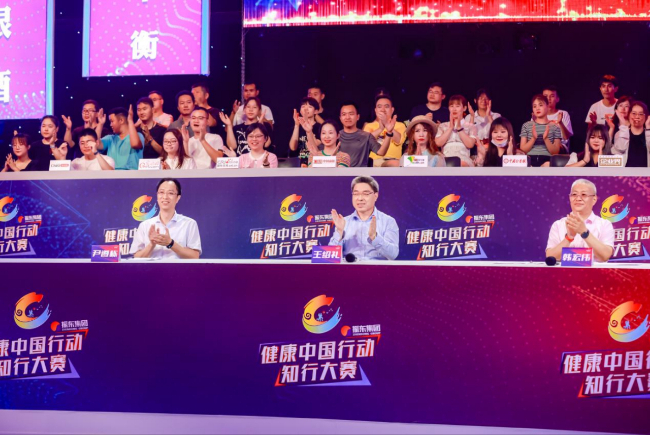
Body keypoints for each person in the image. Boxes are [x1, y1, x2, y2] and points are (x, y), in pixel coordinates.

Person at [329, 176, 399, 261]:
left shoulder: (388, 221)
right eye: (356, 194)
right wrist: (339, 232)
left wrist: (374, 238)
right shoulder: (344, 222)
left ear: (376, 196)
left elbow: (393, 255)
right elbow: (330, 257)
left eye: (365, 194)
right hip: (349, 268)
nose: (360, 198)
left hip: (377, 268)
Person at [546, 179, 614, 263]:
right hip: (565, 271)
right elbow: (550, 257)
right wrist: (569, 237)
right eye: (574, 194)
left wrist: (584, 233)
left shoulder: (604, 224)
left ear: (594, 199)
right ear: (570, 198)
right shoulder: (558, 225)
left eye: (584, 194)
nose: (578, 198)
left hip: (594, 271)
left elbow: (605, 256)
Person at [131, 178, 201, 259]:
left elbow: (194, 256)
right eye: (161, 192)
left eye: (170, 193)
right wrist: (151, 244)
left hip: (177, 267)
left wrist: (171, 243)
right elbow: (136, 257)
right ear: (157, 196)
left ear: (178, 198)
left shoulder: (189, 224)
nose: (165, 197)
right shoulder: (145, 225)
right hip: (152, 267)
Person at [337, 102, 390, 167]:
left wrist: (389, 132)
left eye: (351, 114)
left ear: (358, 117)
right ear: (340, 118)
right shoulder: (336, 136)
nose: (347, 117)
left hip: (360, 173)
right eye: (344, 114)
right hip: (339, 172)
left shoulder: (366, 136)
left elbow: (381, 152)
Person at [519, 94, 562, 167]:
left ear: (547, 106)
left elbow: (555, 152)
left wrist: (546, 139)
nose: (537, 108)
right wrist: (533, 138)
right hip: (529, 160)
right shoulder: (526, 125)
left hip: (547, 161)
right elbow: (523, 149)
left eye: (540, 105)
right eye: (534, 106)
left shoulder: (555, 127)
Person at [95, 106, 144, 170]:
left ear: (121, 120)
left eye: (112, 121)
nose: (110, 125)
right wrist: (100, 124)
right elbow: (95, 144)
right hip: (113, 174)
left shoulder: (138, 136)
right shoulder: (110, 138)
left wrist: (130, 121)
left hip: (132, 174)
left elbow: (135, 144)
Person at [434, 95, 477, 167]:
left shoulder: (470, 126)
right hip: (445, 159)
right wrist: (450, 128)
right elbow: (438, 143)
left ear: (464, 108)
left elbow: (470, 144)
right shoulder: (443, 126)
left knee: (460, 164)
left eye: (457, 106)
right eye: (451, 106)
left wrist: (459, 128)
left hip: (463, 160)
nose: (454, 109)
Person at [364, 96, 406, 167]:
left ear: (392, 110)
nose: (383, 110)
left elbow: (399, 140)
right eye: (379, 107)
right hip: (374, 161)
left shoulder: (400, 125)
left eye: (386, 106)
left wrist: (387, 124)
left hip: (393, 162)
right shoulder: (369, 126)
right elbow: (365, 142)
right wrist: (380, 129)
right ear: (375, 110)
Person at [613, 100, 650, 167]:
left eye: (641, 114)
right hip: (626, 172)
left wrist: (648, 129)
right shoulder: (620, 134)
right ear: (628, 115)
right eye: (634, 113)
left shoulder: (648, 133)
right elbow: (619, 150)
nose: (637, 117)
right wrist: (624, 127)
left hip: (646, 173)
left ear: (646, 117)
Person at [289, 97, 322, 166]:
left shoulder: (319, 127)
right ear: (300, 111)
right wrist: (296, 125)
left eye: (310, 107)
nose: (306, 109)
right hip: (298, 164)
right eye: (303, 106)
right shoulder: (296, 127)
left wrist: (309, 130)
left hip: (313, 162)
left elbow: (316, 145)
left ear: (316, 111)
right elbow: (293, 147)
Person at [542, 86, 573, 153]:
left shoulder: (563, 114)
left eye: (552, 96)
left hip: (560, 145)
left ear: (557, 99)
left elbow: (566, 137)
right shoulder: (538, 114)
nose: (548, 98)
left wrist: (560, 122)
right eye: (545, 96)